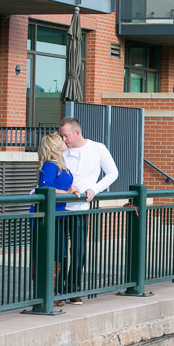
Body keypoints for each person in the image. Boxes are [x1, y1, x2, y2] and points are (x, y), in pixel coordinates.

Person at [58, 117, 119, 304]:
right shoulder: (61, 150)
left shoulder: (98, 148)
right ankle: (57, 290)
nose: (63, 140)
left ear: (77, 132)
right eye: (61, 136)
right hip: (59, 207)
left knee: (79, 250)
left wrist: (94, 189)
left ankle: (73, 289)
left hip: (80, 208)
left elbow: (113, 173)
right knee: (59, 251)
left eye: (66, 135)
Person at [33, 133, 76, 307]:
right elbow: (44, 187)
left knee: (59, 252)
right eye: (60, 140)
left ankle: (52, 291)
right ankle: (47, 293)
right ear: (54, 146)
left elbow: (61, 184)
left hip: (59, 214)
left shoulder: (60, 164)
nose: (64, 141)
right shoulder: (50, 165)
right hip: (48, 214)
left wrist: (72, 188)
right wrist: (66, 193)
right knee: (49, 252)